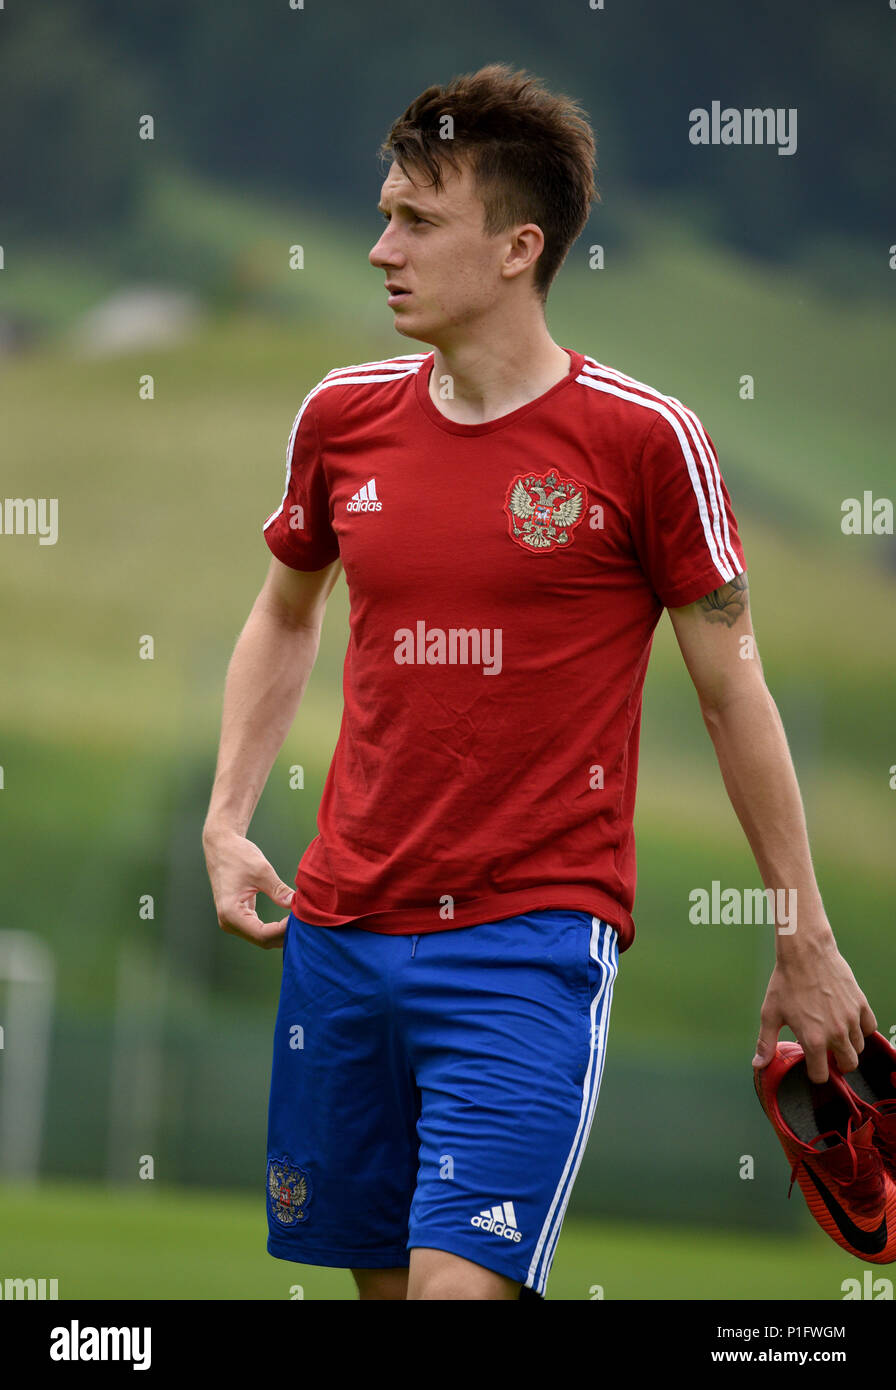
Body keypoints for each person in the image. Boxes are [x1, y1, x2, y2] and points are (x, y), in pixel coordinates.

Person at [202, 63, 875, 1300]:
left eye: (414, 220)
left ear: (518, 246)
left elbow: (733, 692)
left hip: (523, 948)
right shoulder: (339, 419)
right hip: (340, 938)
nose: (377, 248)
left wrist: (804, 936)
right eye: (383, 211)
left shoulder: (643, 441)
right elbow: (283, 612)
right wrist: (228, 818)